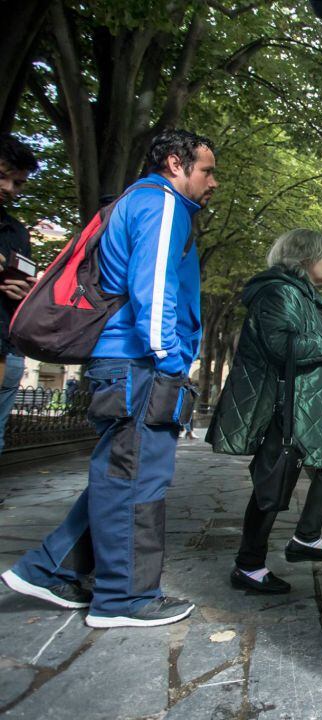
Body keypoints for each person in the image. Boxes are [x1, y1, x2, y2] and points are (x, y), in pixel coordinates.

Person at [2, 129, 217, 628]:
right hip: (139, 364)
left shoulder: (134, 201)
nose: (213, 182)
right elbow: (154, 287)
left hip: (121, 363)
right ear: (174, 164)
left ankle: (46, 569)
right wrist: (170, 360)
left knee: (118, 474)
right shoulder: (162, 206)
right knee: (137, 478)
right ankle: (123, 599)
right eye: (206, 170)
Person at [208, 229, 322, 594]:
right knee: (272, 486)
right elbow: (282, 346)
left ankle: (305, 538)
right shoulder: (279, 292)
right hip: (284, 407)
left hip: (308, 406)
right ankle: (248, 564)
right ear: (305, 261)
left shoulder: (304, 296)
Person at [0, 135, 39, 457]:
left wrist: (24, 292)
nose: (11, 189)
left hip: (6, 346)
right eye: (4, 177)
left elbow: (27, 283)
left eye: (19, 183)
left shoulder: (16, 232)